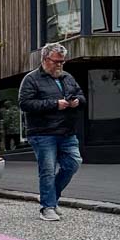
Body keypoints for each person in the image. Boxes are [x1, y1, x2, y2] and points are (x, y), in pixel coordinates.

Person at [18, 42, 86, 222]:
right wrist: (55, 104)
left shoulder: (67, 77)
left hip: (67, 132)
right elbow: (25, 103)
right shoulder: (31, 79)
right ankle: (47, 207)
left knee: (73, 163)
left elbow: (81, 96)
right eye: (56, 61)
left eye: (62, 62)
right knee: (47, 170)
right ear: (45, 59)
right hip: (43, 133)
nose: (59, 65)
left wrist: (77, 101)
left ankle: (50, 197)